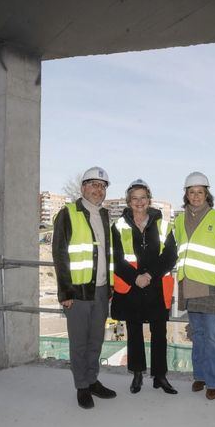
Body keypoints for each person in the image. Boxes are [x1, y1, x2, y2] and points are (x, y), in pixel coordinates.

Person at [53, 166, 117, 409]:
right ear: (83, 188)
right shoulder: (68, 213)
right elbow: (60, 255)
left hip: (101, 290)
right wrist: (65, 293)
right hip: (77, 292)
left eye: (102, 186)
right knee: (79, 343)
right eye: (93, 184)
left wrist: (109, 287)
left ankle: (92, 380)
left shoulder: (104, 215)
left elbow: (105, 253)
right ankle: (81, 386)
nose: (98, 189)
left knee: (96, 340)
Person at [111, 179, 178, 395]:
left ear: (149, 200)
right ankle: (137, 374)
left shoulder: (164, 224)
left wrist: (149, 275)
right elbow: (117, 259)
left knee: (159, 333)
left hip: (156, 287)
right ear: (128, 201)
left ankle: (160, 376)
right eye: (134, 198)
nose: (139, 202)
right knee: (134, 332)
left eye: (143, 197)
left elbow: (170, 256)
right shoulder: (118, 226)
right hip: (132, 288)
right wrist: (135, 278)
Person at [174, 171, 215, 400]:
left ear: (207, 194)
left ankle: (213, 381)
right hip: (189, 285)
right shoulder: (179, 220)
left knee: (211, 336)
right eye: (191, 192)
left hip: (210, 286)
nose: (196, 196)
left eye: (200, 192)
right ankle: (199, 375)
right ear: (186, 195)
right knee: (196, 334)